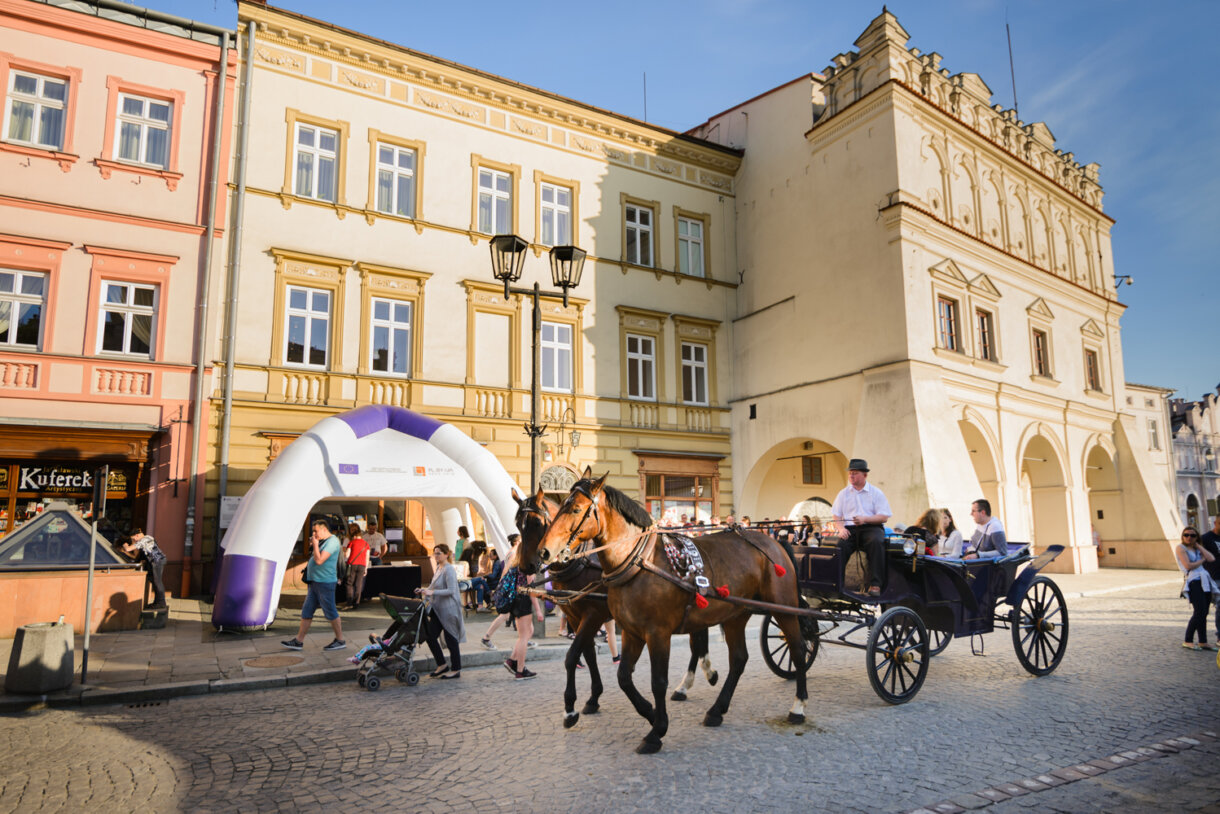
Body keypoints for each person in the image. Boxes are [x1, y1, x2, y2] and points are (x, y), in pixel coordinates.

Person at [831, 458, 892, 597]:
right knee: (840, 546)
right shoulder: (843, 493)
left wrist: (865, 519)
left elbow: (884, 517)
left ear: (865, 475)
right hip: (851, 529)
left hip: (871, 527)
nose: (851, 476)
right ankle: (837, 583)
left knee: (876, 542)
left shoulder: (876, 493)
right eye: (850, 473)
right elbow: (836, 515)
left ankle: (875, 584)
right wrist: (841, 529)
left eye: (855, 473)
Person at [282, 518, 345, 651]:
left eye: (316, 531)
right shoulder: (323, 541)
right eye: (313, 531)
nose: (314, 534)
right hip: (315, 583)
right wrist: (315, 544)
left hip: (325, 583)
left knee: (331, 612)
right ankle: (299, 641)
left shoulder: (332, 541)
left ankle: (340, 640)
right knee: (307, 611)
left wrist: (315, 545)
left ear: (324, 529)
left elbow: (320, 560)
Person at [420, 543, 465, 677]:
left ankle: (456, 669)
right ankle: (442, 664)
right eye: (435, 553)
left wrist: (431, 592)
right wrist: (424, 590)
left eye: (439, 553)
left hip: (449, 610)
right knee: (430, 636)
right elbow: (434, 586)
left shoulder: (448, 569)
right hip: (437, 610)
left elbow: (451, 590)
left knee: (451, 640)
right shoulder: (439, 568)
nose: (436, 555)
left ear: (446, 554)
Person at [1176, 526, 1218, 650]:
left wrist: (1198, 546)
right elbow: (1188, 565)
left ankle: (1203, 641)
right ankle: (1188, 640)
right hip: (1194, 581)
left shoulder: (1197, 548)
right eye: (1186, 535)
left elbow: (1211, 558)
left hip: (1205, 581)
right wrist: (1201, 560)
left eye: (1193, 536)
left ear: (1197, 537)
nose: (1189, 537)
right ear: (1183, 536)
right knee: (1199, 612)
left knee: (1204, 612)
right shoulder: (1180, 548)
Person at [121, 528, 167, 609]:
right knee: (154, 581)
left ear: (137, 535)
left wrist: (125, 545)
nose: (134, 540)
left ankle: (161, 603)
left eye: (133, 539)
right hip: (155, 562)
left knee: (157, 582)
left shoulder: (145, 539)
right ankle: (157, 602)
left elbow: (129, 549)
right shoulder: (145, 540)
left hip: (157, 561)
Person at [1197, 515, 1220, 644]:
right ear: (1215, 523)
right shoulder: (1206, 538)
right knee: (1209, 609)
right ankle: (1215, 637)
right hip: (1212, 578)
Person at [342, 522, 370, 610]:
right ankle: (356, 603)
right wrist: (366, 568)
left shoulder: (351, 542)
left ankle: (349, 603)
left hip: (352, 565)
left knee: (349, 584)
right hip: (362, 565)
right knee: (358, 584)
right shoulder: (366, 544)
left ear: (354, 536)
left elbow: (347, 555)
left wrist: (343, 552)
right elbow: (367, 557)